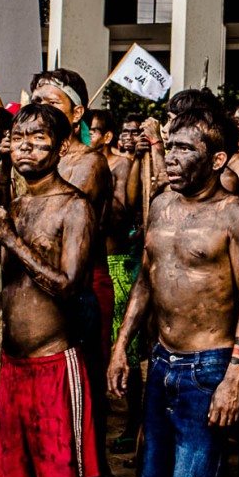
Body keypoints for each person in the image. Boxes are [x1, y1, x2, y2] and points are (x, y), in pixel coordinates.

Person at [108, 106, 239, 477]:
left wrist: (235, 375)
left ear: (216, 159)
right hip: (161, 360)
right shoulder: (160, 205)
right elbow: (145, 280)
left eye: (183, 148)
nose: (170, 157)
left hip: (209, 366)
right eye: (168, 145)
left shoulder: (236, 215)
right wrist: (121, 349)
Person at [0, 104, 101, 477]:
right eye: (20, 137)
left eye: (39, 138)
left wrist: (12, 240)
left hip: (55, 363)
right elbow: (1, 279)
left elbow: (69, 287)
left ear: (62, 145)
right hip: (11, 364)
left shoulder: (75, 207)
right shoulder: (9, 206)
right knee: (21, 476)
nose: (26, 147)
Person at [29, 68, 112, 477]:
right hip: (38, 287)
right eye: (34, 101)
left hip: (80, 289)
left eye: (52, 103)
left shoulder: (87, 163)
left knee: (81, 400)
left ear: (76, 113)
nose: (40, 110)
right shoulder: (36, 156)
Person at [86, 107, 144, 454]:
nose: (87, 138)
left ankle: (133, 421)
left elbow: (122, 212)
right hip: (88, 268)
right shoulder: (73, 164)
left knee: (127, 350)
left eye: (92, 132)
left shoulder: (120, 165)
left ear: (106, 136)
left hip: (116, 264)